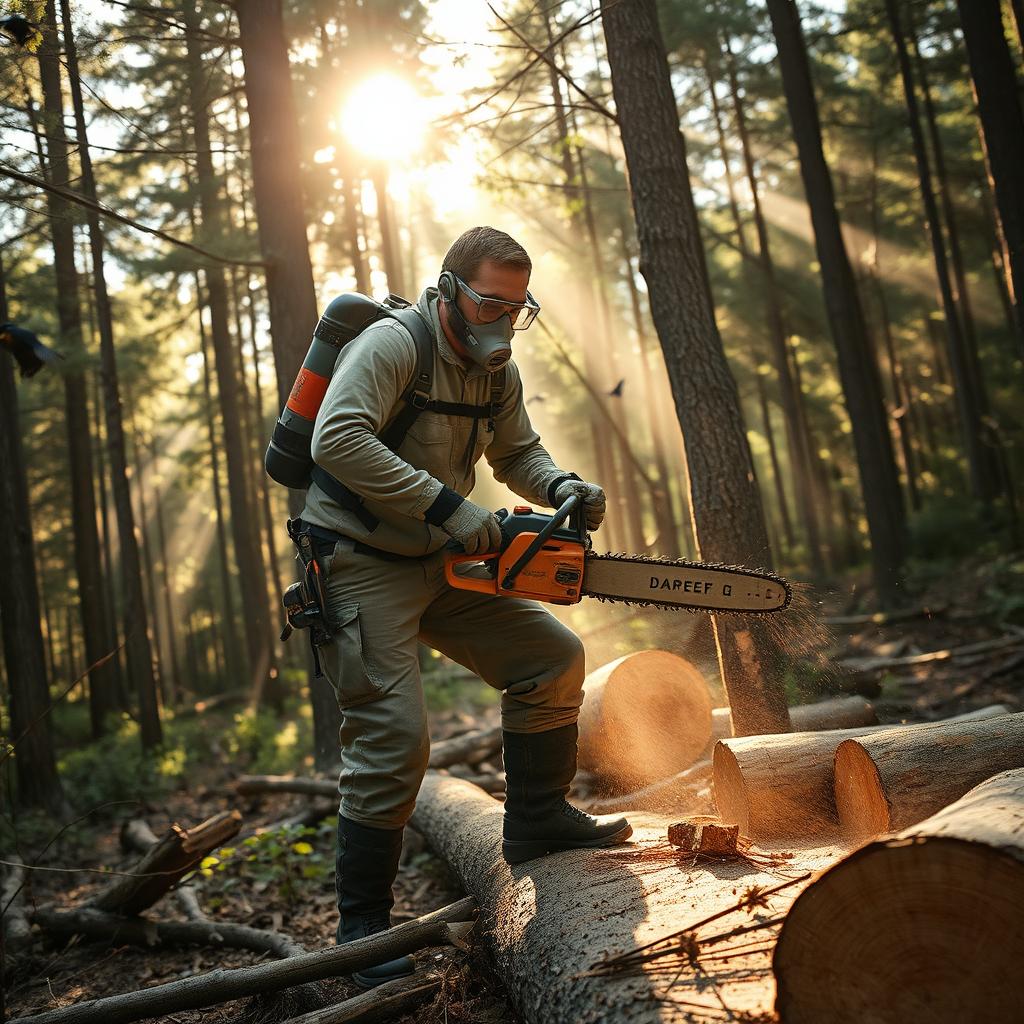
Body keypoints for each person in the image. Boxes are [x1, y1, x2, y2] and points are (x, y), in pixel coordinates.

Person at [300, 226, 631, 987]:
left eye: (518, 307)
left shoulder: (495, 370)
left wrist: (559, 488)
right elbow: (336, 439)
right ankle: (363, 929)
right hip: (358, 559)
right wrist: (448, 507)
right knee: (394, 740)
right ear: (450, 290)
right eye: (490, 302)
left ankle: (538, 817)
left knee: (551, 658)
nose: (503, 320)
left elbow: (517, 451)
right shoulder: (392, 346)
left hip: (439, 556)